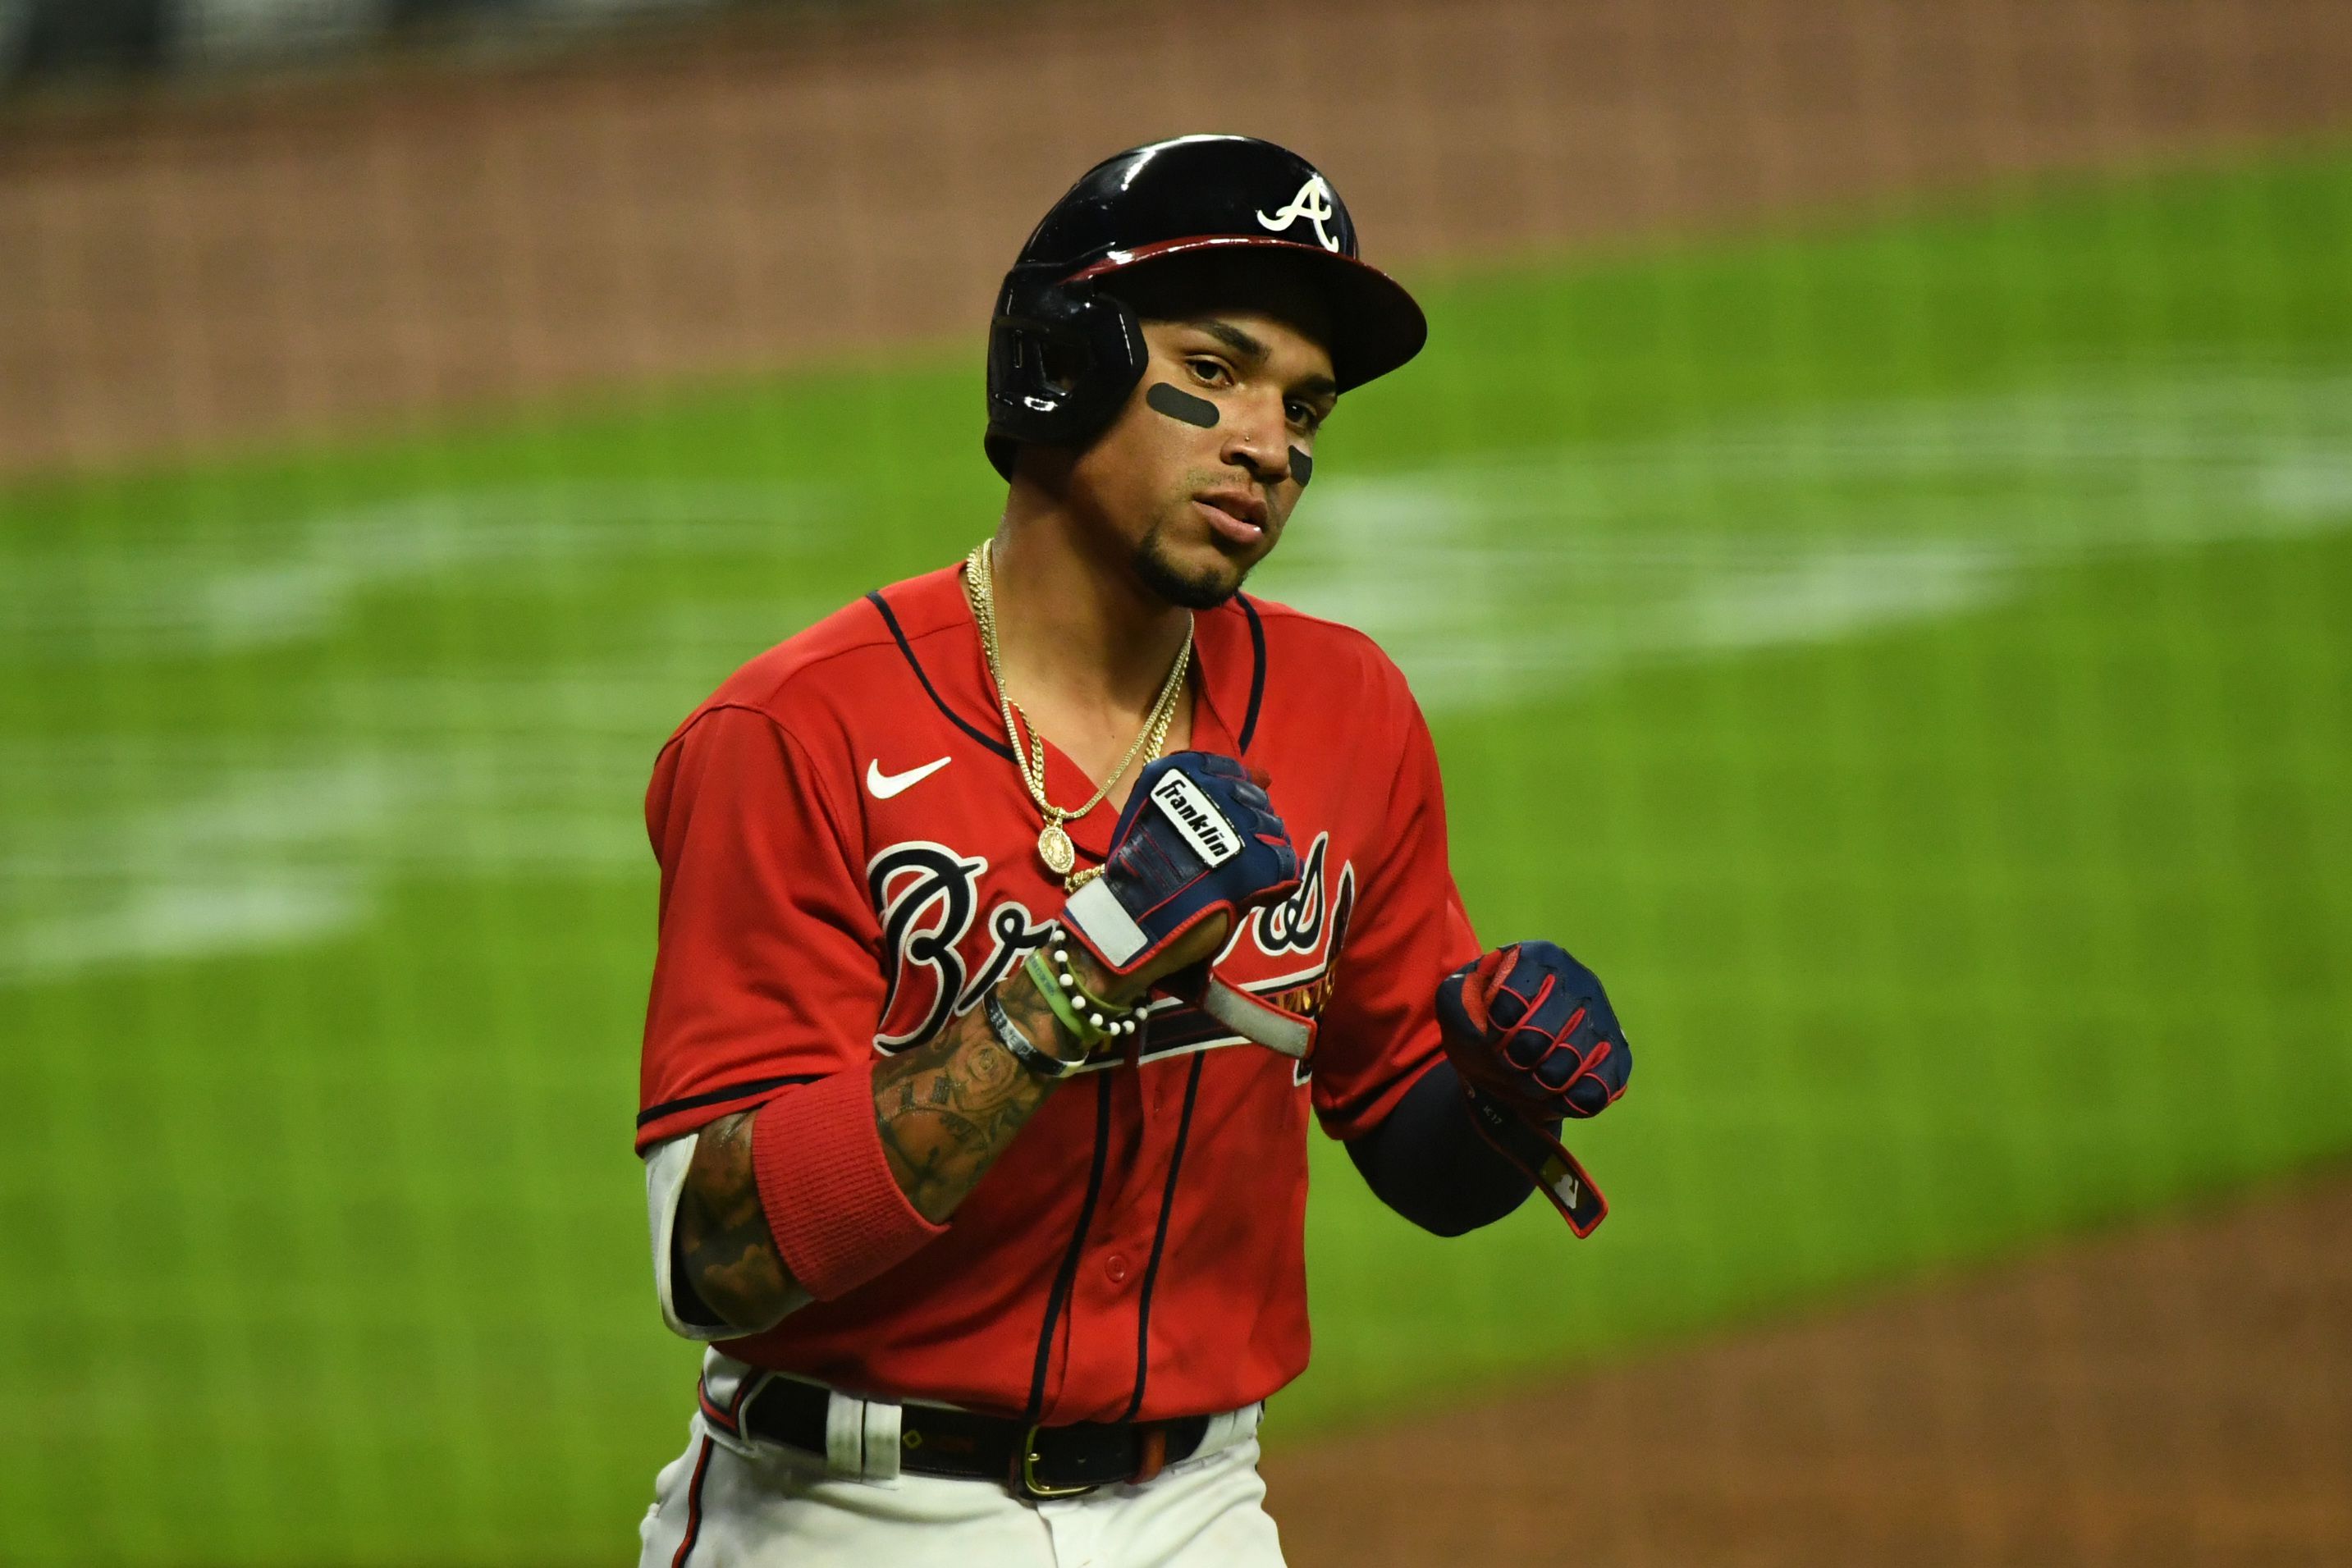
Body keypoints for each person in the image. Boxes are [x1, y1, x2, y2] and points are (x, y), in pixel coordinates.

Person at [633, 134, 1632, 1568]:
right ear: (1060, 360)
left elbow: (1415, 1142)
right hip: (846, 1513)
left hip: (1199, 1510)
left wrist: (1498, 1097)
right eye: (1215, 372)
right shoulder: (793, 732)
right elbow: (714, 1258)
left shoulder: (1348, 710)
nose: (1271, 444)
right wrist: (1080, 974)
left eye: (1306, 408)